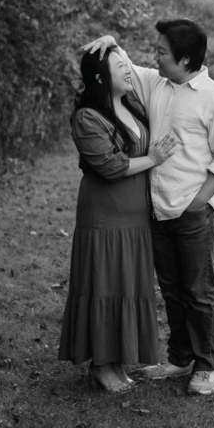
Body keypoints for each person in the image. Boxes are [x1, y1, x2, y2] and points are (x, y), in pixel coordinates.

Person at [84, 19, 214, 396]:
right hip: (155, 210)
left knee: (198, 292)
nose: (155, 57)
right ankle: (180, 357)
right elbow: (121, 68)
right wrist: (112, 41)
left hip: (193, 213)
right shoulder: (157, 82)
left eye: (161, 51)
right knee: (172, 290)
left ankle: (206, 367)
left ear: (184, 58)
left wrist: (198, 202)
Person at [58, 46, 179, 393]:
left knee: (127, 286)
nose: (128, 70)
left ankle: (117, 360)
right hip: (105, 216)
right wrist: (153, 158)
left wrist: (113, 43)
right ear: (99, 77)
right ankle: (101, 364)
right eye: (119, 65)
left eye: (127, 64)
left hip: (136, 217)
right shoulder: (88, 117)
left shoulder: (132, 106)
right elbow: (111, 167)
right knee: (105, 286)